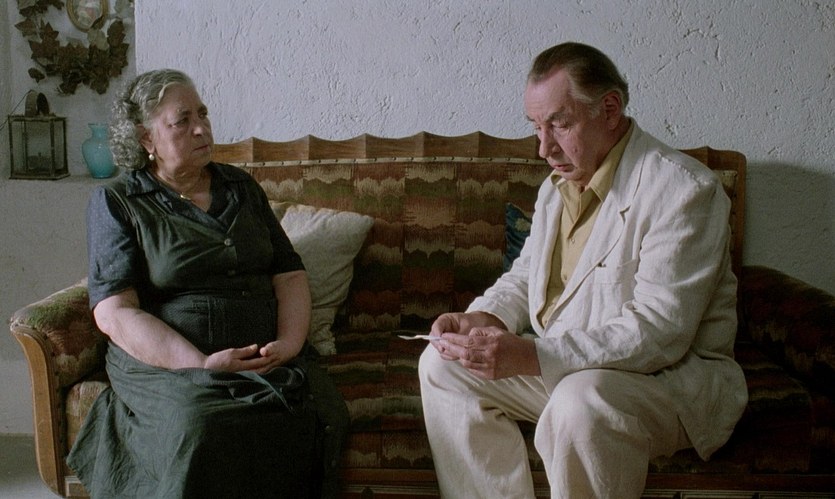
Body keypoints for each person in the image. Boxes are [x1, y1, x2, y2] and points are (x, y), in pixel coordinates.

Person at [418, 42, 748, 499]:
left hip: (665, 381)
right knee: (441, 365)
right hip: (569, 367)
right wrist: (482, 319)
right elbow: (528, 275)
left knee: (580, 401)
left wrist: (530, 356)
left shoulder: (684, 191)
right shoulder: (558, 185)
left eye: (560, 124)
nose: (544, 148)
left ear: (610, 109)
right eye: (536, 127)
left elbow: (660, 332)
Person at [67, 69, 348, 498]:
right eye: (182, 121)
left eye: (202, 114)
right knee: (201, 424)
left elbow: (289, 273)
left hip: (262, 356)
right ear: (146, 139)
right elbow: (114, 311)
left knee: (311, 413)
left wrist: (290, 344)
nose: (201, 128)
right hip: (170, 364)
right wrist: (200, 364)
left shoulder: (240, 187)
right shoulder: (118, 201)